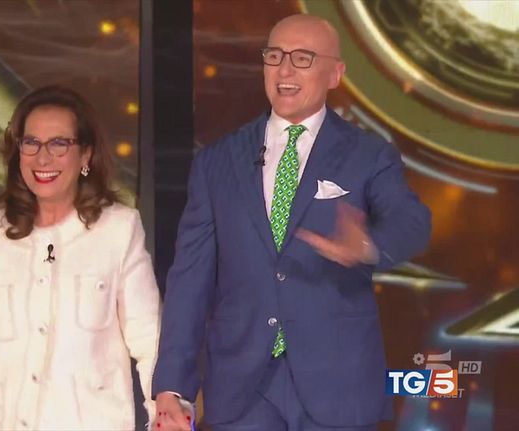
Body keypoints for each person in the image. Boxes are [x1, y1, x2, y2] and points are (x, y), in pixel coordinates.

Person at [151, 14, 431, 431]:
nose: (284, 70)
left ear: (335, 74)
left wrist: (366, 246)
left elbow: (412, 222)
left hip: (337, 383)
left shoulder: (368, 154)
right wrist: (173, 386)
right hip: (242, 388)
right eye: (275, 56)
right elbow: (190, 279)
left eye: (303, 58)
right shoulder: (217, 162)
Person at [0, 85, 160, 431]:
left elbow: (149, 337)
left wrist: (164, 408)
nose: (43, 159)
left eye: (59, 144)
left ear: (85, 155)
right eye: (31, 143)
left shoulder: (118, 230)